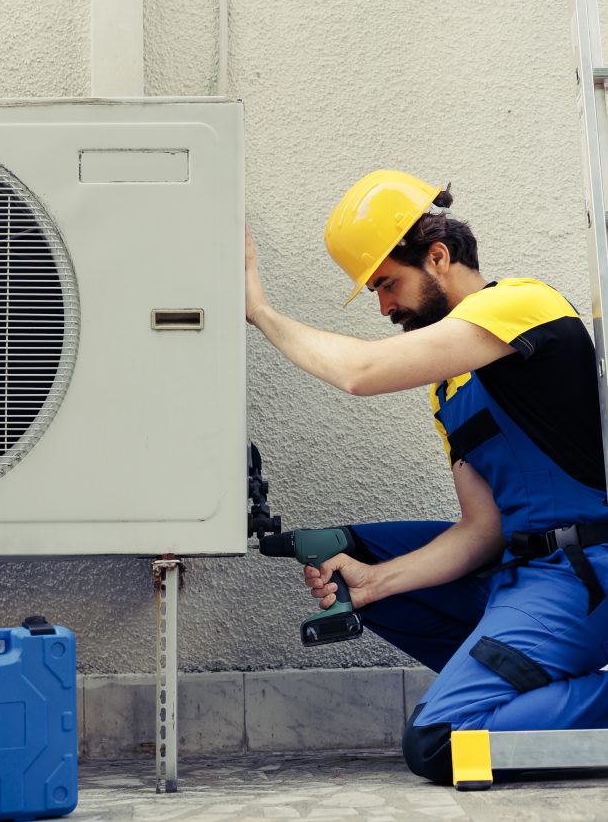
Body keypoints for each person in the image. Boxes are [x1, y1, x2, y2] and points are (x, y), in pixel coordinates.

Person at [245, 169, 608, 785]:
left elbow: (359, 372)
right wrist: (376, 581)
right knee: (347, 559)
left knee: (442, 744)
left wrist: (257, 311)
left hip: (581, 573)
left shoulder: (524, 305)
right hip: (518, 575)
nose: (384, 307)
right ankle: (528, 686)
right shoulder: (451, 386)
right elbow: (481, 530)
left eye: (387, 284)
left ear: (438, 257)